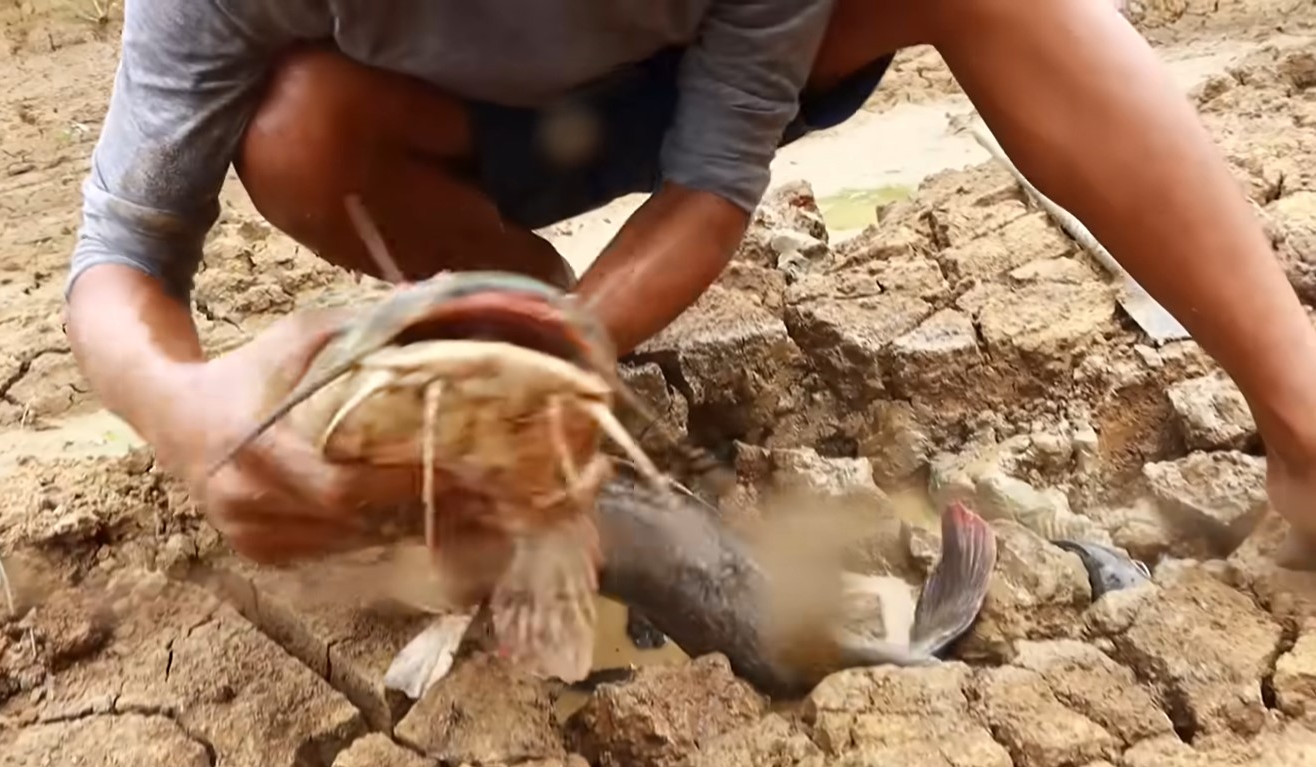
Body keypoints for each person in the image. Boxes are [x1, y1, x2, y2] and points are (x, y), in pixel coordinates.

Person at [64, 0, 1316, 569]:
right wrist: (189, 410)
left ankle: (1303, 408)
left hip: (729, 59)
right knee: (294, 130)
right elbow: (117, 263)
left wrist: (582, 337)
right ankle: (519, 309)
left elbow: (711, 181)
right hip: (460, 134)